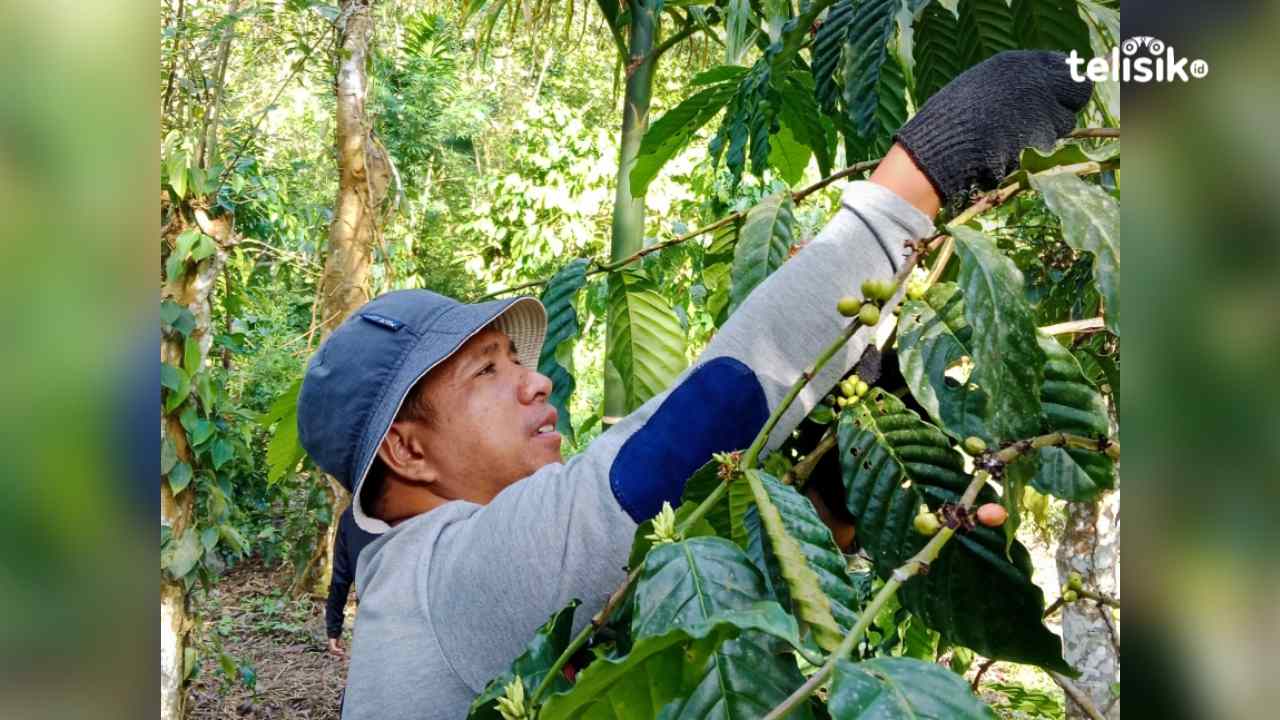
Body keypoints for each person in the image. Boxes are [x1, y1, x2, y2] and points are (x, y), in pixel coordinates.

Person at [295, 51, 1092, 720]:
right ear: (406, 447)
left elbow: (668, 600)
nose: (537, 384)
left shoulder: (427, 586)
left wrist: (833, 495)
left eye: (518, 359)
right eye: (489, 371)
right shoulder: (448, 576)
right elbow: (694, 426)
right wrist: (913, 183)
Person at [323, 504, 378, 659]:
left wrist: (333, 629)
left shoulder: (350, 516)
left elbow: (340, 580)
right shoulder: (414, 509)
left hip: (372, 618)